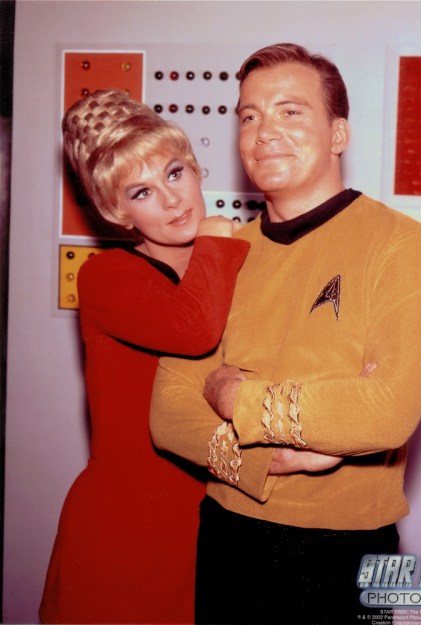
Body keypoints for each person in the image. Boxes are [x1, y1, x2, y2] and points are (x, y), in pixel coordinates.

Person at [150, 43, 421, 625]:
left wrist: (235, 396)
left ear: (338, 134)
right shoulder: (221, 253)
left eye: (290, 111)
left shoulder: (401, 243)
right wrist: (276, 458)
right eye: (250, 116)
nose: (264, 132)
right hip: (227, 536)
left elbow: (386, 410)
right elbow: (168, 415)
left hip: (345, 549)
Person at [39, 89, 250, 624]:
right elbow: (194, 328)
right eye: (143, 191)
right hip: (128, 525)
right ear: (117, 210)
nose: (172, 200)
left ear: (196, 170)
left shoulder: (228, 261)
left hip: (211, 512)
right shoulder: (106, 276)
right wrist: (218, 239)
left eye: (175, 173)